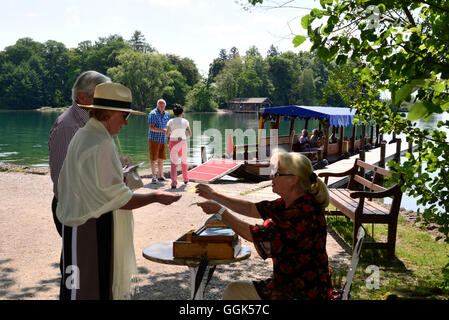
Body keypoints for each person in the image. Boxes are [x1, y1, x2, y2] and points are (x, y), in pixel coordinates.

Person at [56, 83, 181, 300]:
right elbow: (119, 199)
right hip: (92, 227)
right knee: (93, 289)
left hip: (75, 223)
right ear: (109, 113)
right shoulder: (101, 141)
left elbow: (86, 181)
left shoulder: (84, 134)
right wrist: (156, 196)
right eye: (124, 116)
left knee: (74, 287)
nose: (125, 122)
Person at [195, 149, 332, 300]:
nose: (271, 176)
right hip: (297, 286)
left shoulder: (299, 213)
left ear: (294, 179)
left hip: (300, 292)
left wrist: (220, 212)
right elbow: (250, 208)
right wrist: (214, 194)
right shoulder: (291, 203)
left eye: (277, 174)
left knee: (234, 292)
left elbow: (254, 234)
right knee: (235, 290)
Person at [49, 70, 111, 237]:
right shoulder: (69, 127)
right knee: (75, 260)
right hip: (74, 209)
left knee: (89, 260)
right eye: (101, 97)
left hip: (88, 207)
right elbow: (62, 177)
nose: (106, 102)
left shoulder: (90, 123)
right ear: (83, 97)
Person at [166, 104, 192, 189]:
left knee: (174, 163)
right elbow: (190, 134)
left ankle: (174, 183)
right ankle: (185, 179)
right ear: (182, 112)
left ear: (174, 113)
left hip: (173, 142)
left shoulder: (170, 121)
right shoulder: (185, 121)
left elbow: (167, 134)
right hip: (183, 142)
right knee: (184, 161)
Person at [148, 99, 170, 184]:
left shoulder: (167, 114)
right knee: (153, 159)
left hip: (163, 139)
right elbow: (151, 128)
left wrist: (168, 137)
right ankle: (154, 177)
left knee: (161, 159)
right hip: (154, 139)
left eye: (164, 106)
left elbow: (168, 127)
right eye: (161, 106)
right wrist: (162, 130)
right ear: (157, 105)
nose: (162, 107)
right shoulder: (152, 114)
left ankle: (160, 176)